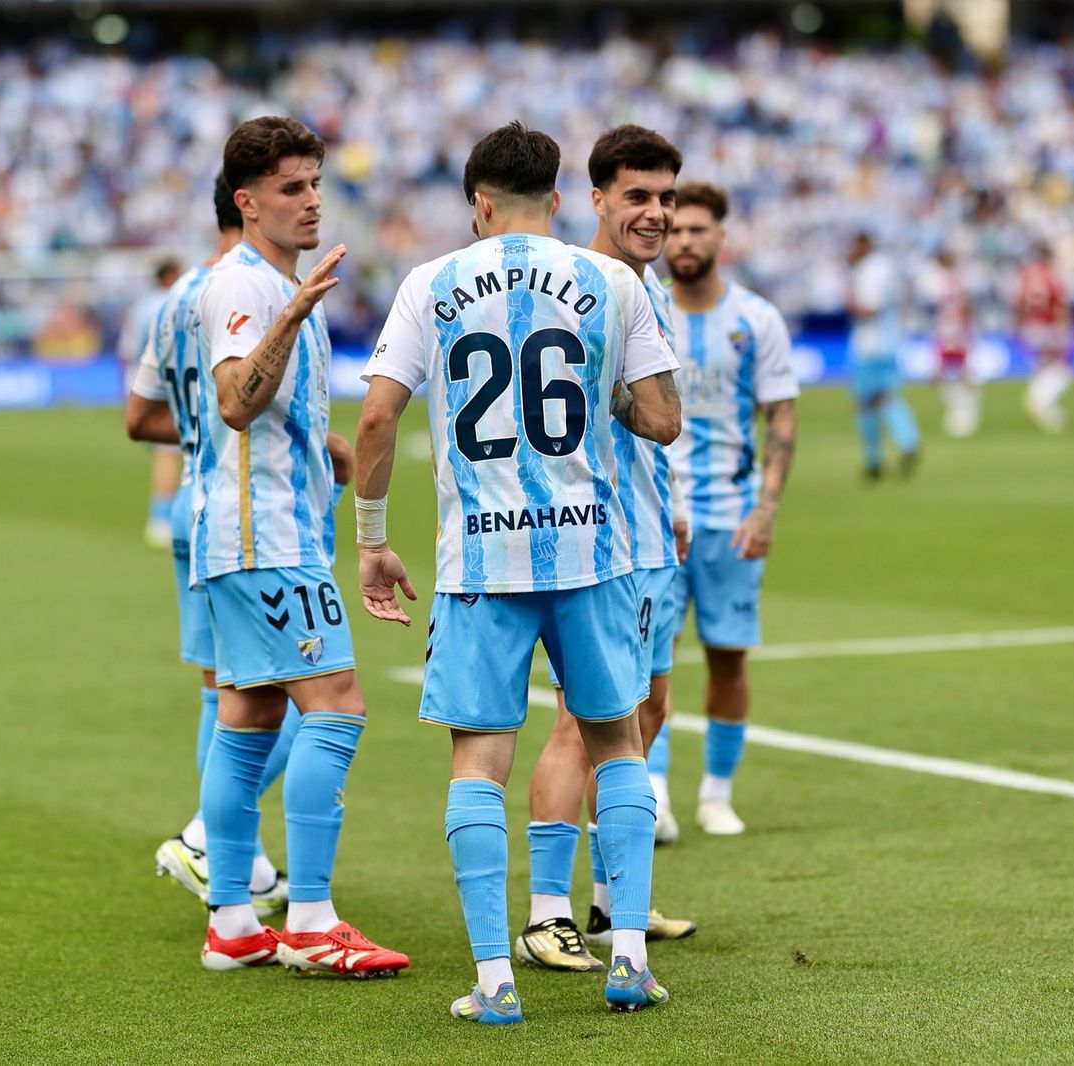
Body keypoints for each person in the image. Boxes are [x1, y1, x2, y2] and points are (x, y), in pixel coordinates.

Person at [353, 121, 682, 1023]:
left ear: (480, 205)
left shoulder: (432, 284)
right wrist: (605, 388)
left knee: (478, 760)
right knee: (616, 739)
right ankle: (628, 961)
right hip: (591, 550)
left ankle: (495, 981)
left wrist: (373, 538)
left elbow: (377, 420)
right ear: (562, 201)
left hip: (481, 558)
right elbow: (661, 418)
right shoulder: (609, 280)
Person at [190, 116, 407, 976]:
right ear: (247, 203)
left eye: (315, 183)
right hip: (264, 539)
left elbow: (273, 420)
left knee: (248, 719)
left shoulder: (282, 282)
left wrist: (333, 453)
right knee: (340, 707)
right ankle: (312, 918)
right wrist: (294, 313)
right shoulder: (248, 288)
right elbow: (237, 402)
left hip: (258, 533)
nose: (311, 200)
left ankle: (233, 925)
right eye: (291, 188)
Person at [515, 126, 697, 976]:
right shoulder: (588, 288)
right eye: (637, 196)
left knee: (647, 712)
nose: (656, 213)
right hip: (597, 544)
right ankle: (548, 913)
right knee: (583, 725)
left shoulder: (644, 290)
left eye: (666, 197)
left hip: (650, 532)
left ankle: (610, 895)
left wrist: (674, 503)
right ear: (595, 200)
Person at [664, 183, 799, 836]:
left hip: (731, 516)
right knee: (648, 660)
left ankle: (717, 792)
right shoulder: (645, 309)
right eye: (675, 229)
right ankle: (653, 791)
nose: (685, 240)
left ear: (721, 235)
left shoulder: (756, 320)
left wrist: (768, 507)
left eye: (698, 229)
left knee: (728, 656)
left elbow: (782, 417)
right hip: (655, 520)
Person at [120, 257, 185, 547]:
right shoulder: (180, 301)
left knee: (167, 451)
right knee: (172, 452)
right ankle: (162, 519)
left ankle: (167, 516)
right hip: (173, 380)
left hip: (142, 380)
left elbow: (128, 349)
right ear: (170, 275)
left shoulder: (142, 306)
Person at [846, 231, 920, 479]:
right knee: (885, 397)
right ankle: (908, 440)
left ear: (864, 244)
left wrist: (848, 300)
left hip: (871, 346)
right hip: (889, 342)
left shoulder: (871, 270)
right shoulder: (885, 267)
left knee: (865, 403)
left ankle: (875, 461)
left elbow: (870, 309)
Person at [1017, 242, 1074, 433]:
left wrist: (1022, 327)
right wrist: (1066, 329)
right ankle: (1040, 399)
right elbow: (1060, 306)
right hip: (1052, 327)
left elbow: (1020, 305)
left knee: (1043, 367)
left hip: (1033, 327)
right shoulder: (1053, 277)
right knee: (1063, 369)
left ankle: (1043, 404)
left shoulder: (1027, 276)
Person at [930, 248, 980, 438]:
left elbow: (967, 306)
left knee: (962, 371)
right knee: (940, 374)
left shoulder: (958, 280)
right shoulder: (941, 280)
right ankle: (960, 407)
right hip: (946, 331)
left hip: (956, 332)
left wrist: (968, 328)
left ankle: (969, 409)